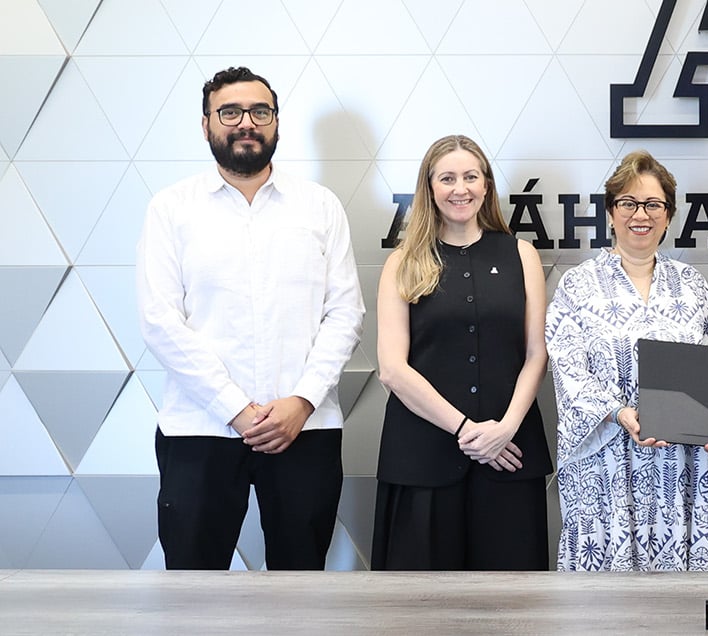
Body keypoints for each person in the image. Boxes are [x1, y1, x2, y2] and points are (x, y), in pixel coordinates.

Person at [136, 66, 364, 570]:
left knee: (300, 582)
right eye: (230, 112)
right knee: (194, 587)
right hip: (201, 429)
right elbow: (160, 320)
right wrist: (235, 408)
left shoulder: (319, 207)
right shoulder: (170, 209)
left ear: (276, 122)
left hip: (304, 429)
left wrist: (302, 402)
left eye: (260, 111)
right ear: (206, 125)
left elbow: (345, 313)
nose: (246, 123)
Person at [370, 135, 552, 570]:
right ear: (429, 188)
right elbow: (392, 369)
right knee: (421, 608)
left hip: (510, 455)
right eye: (447, 178)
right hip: (421, 459)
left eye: (471, 176)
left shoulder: (520, 254)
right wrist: (469, 431)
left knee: (511, 608)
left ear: (486, 185)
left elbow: (536, 353)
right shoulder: (403, 261)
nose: (460, 188)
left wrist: (505, 428)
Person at [545, 150, 708, 571]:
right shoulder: (578, 285)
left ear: (668, 215)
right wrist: (621, 412)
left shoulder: (692, 285)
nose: (639, 215)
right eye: (627, 203)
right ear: (610, 212)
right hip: (604, 464)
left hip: (680, 465)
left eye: (652, 204)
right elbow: (568, 368)